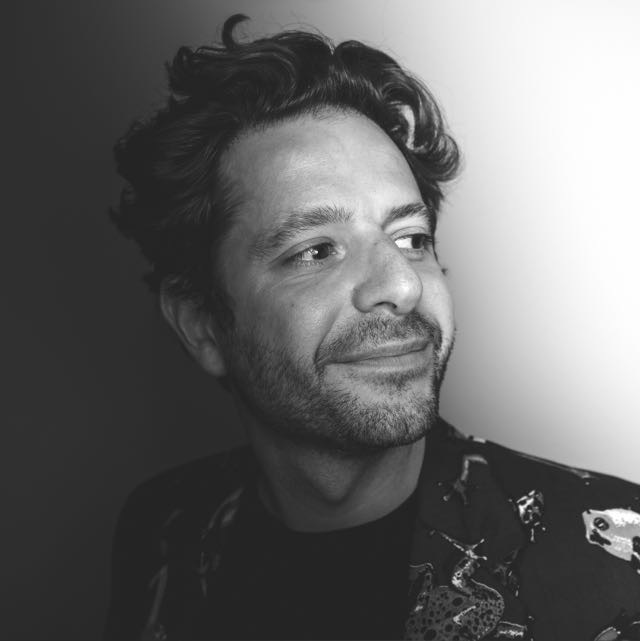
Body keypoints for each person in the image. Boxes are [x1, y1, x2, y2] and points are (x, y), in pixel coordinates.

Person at [104, 14, 640, 641]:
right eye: (316, 251)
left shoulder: (616, 561)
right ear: (201, 325)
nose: (403, 284)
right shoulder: (164, 526)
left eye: (411, 238)